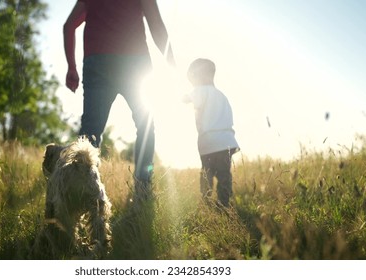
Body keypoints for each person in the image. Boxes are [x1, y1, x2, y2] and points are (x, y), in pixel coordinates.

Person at [63, 0, 175, 198]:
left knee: (90, 131)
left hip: (98, 62)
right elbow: (155, 24)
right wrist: (171, 63)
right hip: (134, 62)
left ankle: (79, 189)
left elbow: (69, 25)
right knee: (146, 126)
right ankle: (142, 188)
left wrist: (71, 66)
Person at [183, 58, 239, 208]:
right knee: (224, 175)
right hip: (227, 142)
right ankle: (224, 204)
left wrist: (181, 97)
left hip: (209, 142)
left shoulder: (201, 90)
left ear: (200, 76)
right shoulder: (222, 96)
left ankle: (206, 202)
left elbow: (189, 98)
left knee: (207, 174)